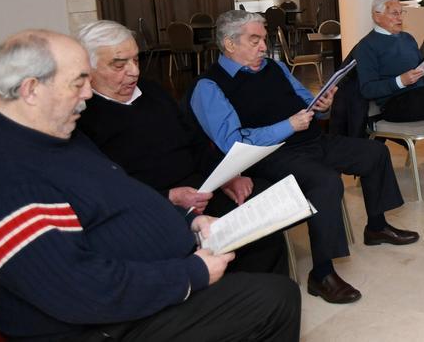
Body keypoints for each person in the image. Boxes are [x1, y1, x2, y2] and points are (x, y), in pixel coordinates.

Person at [0, 30, 299, 340]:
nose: (88, 94)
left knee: (260, 254)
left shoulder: (50, 131)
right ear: (31, 89)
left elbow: (118, 193)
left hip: (141, 278)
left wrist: (188, 222)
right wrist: (192, 274)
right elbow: (78, 292)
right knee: (272, 298)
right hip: (104, 325)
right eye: (78, 83)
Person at [191, 10, 418, 305]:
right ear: (229, 44)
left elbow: (306, 104)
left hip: (311, 139)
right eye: (255, 39)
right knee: (325, 183)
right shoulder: (209, 86)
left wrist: (322, 105)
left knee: (373, 152)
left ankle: (375, 226)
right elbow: (232, 141)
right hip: (269, 156)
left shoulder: (274, 68)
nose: (263, 46)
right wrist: (287, 126)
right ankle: (321, 274)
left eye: (264, 39)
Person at [75, 20, 288, 275]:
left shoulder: (153, 92)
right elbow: (106, 190)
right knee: (227, 246)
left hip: (202, 188)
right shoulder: (82, 118)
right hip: (151, 205)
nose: (133, 72)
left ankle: (269, 302)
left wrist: (226, 177)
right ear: (88, 69)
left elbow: (195, 141)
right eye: (119, 65)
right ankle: (241, 302)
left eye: (136, 60)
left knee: (264, 218)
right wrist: (170, 196)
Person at [356, 0, 424, 122]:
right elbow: (368, 89)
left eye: (401, 13)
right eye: (394, 13)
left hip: (421, 95)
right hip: (394, 103)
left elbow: (420, 71)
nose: (400, 18)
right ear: (377, 16)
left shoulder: (408, 38)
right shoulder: (366, 46)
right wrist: (400, 81)